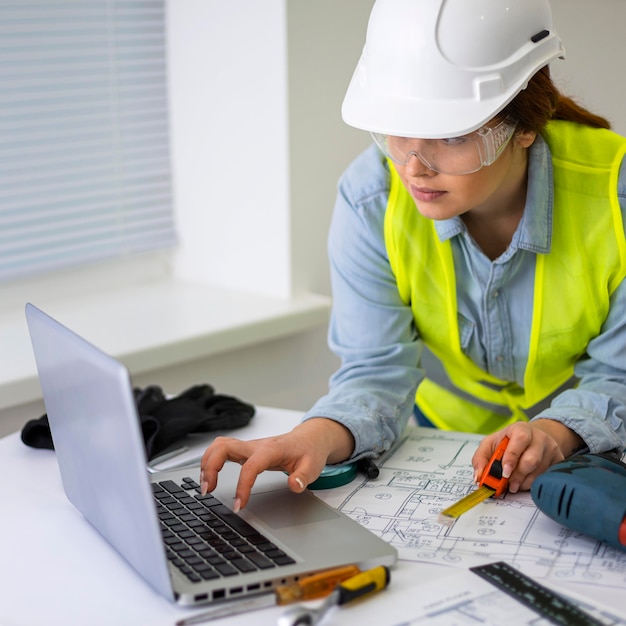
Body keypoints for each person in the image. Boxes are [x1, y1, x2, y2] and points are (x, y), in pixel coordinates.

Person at [200, 0, 626, 512]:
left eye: (450, 135)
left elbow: (619, 375)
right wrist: (313, 436)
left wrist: (555, 434)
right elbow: (375, 372)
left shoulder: (614, 197)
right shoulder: (371, 199)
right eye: (397, 129)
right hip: (438, 455)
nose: (415, 166)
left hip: (590, 462)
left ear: (525, 125)